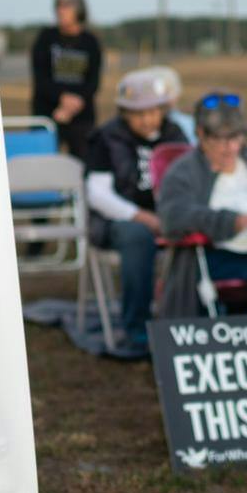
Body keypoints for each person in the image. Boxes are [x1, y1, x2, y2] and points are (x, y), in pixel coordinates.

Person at [83, 68, 191, 350]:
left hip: (168, 215)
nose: (147, 119)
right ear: (124, 113)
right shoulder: (106, 138)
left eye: (154, 111)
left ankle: (191, 319)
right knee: (137, 237)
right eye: (138, 113)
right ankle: (137, 328)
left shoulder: (175, 134)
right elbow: (97, 194)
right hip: (117, 222)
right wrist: (140, 217)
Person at [158, 93, 247, 286]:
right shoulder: (184, 170)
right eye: (220, 139)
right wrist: (233, 222)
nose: (231, 147)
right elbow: (173, 216)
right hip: (219, 254)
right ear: (201, 134)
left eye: (236, 137)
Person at [30, 0, 103, 157]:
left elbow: (93, 81)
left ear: (80, 10)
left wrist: (73, 105)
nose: (61, 11)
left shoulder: (90, 42)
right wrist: (62, 98)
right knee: (42, 163)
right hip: (48, 113)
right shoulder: (46, 38)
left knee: (82, 164)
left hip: (81, 116)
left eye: (67, 6)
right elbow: (40, 77)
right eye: (58, 6)